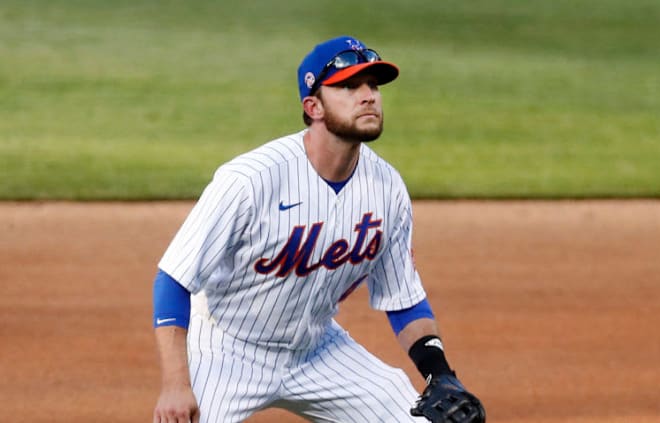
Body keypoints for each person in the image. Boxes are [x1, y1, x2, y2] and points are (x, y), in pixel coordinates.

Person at [152, 35, 485, 423]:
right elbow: (174, 279)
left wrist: (440, 373)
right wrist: (176, 382)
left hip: (317, 351)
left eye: (373, 86)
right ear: (313, 107)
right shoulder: (250, 180)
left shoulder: (387, 187)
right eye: (348, 86)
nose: (368, 96)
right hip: (227, 348)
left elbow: (404, 300)